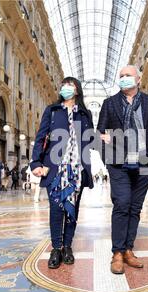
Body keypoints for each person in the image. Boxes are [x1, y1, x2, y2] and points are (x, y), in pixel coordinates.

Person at [97, 65, 148, 274]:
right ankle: (117, 252)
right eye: (121, 76)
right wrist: (107, 156)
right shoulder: (109, 103)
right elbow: (99, 132)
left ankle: (128, 249)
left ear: (138, 79)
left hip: (145, 163)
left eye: (128, 75)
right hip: (119, 164)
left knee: (135, 208)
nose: (124, 79)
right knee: (122, 204)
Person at [31, 76, 94, 269]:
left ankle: (68, 246)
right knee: (57, 209)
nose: (66, 87)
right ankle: (56, 248)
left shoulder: (85, 113)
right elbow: (41, 137)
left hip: (77, 170)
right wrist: (36, 162)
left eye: (70, 85)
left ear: (77, 90)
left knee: (72, 211)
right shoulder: (52, 110)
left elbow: (90, 140)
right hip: (54, 169)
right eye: (63, 84)